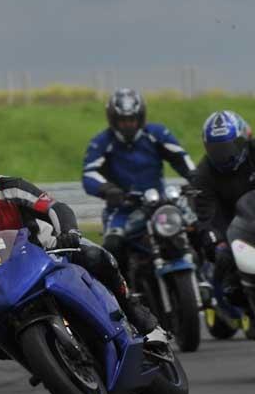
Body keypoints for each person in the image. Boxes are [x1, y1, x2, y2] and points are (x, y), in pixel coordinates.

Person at [0, 145, 167, 360]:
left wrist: (68, 232)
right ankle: (38, 357)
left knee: (97, 258)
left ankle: (141, 318)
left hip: (49, 252)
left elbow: (55, 208)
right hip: (8, 283)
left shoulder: (10, 188)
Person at [82, 88, 196, 274]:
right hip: (122, 210)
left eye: (132, 119)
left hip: (159, 203)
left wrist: (195, 178)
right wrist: (108, 190)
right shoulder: (102, 142)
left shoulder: (156, 133)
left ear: (141, 118)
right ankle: (125, 295)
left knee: (195, 227)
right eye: (123, 120)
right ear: (113, 120)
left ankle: (204, 278)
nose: (128, 125)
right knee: (113, 246)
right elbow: (89, 174)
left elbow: (181, 158)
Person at [193, 110, 255, 296]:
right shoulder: (203, 175)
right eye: (217, 150)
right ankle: (244, 318)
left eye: (230, 147)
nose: (225, 155)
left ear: (243, 140)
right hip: (240, 239)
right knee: (230, 290)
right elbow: (206, 216)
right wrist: (217, 244)